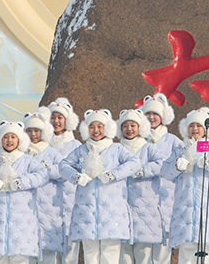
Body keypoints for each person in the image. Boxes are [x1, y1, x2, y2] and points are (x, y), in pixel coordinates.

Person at [59, 109, 141, 264]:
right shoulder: (82, 150)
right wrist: (76, 176)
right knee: (90, 255)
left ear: (107, 128)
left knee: (110, 255)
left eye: (100, 126)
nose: (96, 130)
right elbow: (63, 165)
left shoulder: (116, 149)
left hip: (112, 214)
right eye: (92, 127)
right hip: (87, 213)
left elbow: (135, 162)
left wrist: (114, 174)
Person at [161, 108, 209, 264]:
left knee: (208, 252)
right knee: (187, 251)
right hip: (185, 211)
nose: (194, 129)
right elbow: (165, 173)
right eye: (191, 125)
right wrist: (176, 166)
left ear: (206, 129)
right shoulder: (180, 149)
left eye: (199, 126)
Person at [0, 121, 48, 263]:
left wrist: (22, 182)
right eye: (6, 137)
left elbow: (43, 174)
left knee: (19, 259)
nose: (9, 140)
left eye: (13, 137)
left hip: (22, 227)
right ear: (0, 139)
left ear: (19, 139)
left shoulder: (27, 161)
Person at [116, 109, 164, 264]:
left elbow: (161, 164)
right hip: (121, 206)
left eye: (133, 125)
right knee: (124, 254)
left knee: (144, 252)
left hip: (145, 207)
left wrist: (142, 171)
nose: (129, 129)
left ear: (140, 127)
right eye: (125, 125)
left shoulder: (148, 147)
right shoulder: (116, 148)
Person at [140, 93, 180, 264]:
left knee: (163, 250)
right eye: (148, 114)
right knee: (143, 251)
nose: (151, 118)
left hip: (167, 198)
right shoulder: (139, 140)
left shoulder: (173, 141)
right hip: (143, 200)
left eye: (154, 114)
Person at [24, 108, 65, 264]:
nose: (33, 134)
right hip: (26, 209)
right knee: (28, 252)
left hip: (49, 209)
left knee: (48, 254)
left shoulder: (51, 152)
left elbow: (64, 172)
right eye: (29, 130)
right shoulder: (22, 152)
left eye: (37, 130)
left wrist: (47, 169)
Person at [47, 97, 81, 264]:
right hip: (47, 204)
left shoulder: (75, 145)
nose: (56, 121)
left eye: (60, 117)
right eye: (53, 117)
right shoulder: (43, 144)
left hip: (70, 202)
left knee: (69, 254)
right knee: (49, 254)